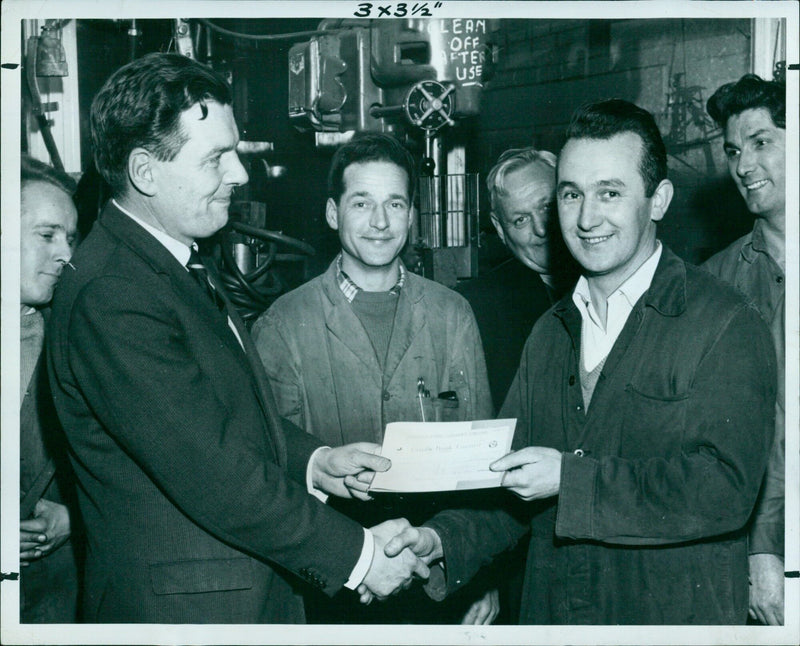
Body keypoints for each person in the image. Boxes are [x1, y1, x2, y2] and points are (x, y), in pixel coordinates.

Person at [46, 52, 428, 624]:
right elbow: (212, 468)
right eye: (216, 158)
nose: (240, 175)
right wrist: (361, 556)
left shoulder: (170, 264)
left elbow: (222, 417)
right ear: (145, 172)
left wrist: (313, 461)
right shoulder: (114, 295)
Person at [383, 99, 776, 624]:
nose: (587, 219)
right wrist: (438, 538)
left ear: (657, 200)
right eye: (572, 195)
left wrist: (571, 480)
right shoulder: (551, 333)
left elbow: (725, 490)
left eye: (610, 193)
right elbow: (513, 481)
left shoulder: (725, 322)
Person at [251, 133, 498, 625]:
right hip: (331, 587)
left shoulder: (452, 315)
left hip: (436, 579)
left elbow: (484, 473)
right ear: (331, 213)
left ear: (412, 215)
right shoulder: (281, 325)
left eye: (395, 204)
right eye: (361, 203)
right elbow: (271, 474)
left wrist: (478, 575)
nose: (380, 222)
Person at [704, 74, 786, 626]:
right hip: (772, 549)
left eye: (761, 142)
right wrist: (763, 547)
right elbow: (731, 433)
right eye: (734, 150)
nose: (743, 165)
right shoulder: (717, 284)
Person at [458, 146, 577, 409]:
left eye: (548, 207)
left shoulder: (613, 281)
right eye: (521, 220)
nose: (542, 229)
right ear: (500, 229)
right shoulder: (477, 309)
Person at [19, 155, 81, 622]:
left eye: (70, 238)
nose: (65, 253)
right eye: (47, 235)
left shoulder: (77, 340)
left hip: (52, 598)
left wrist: (72, 517)